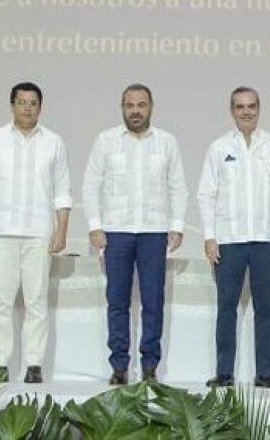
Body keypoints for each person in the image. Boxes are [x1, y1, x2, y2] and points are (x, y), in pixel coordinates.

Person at [82, 83, 187, 385]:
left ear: (151, 107)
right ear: (122, 107)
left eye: (142, 105)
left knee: (153, 301)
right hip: (116, 232)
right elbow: (91, 184)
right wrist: (95, 225)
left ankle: (150, 366)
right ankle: (119, 366)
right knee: (117, 302)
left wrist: (177, 225)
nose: (136, 110)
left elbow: (178, 186)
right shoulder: (106, 141)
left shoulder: (167, 142)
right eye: (130, 105)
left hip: (154, 233)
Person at [0, 82, 72, 384]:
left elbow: (63, 192)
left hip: (39, 232)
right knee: (1, 301)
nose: (27, 108)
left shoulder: (54, 142)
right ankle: (0, 363)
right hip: (1, 231)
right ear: (12, 105)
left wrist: (62, 229)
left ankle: (33, 364)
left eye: (33, 103)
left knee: (37, 301)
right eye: (21, 102)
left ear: (41, 107)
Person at [198, 86, 270, 389]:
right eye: (239, 107)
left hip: (266, 241)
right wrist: (210, 237)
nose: (246, 111)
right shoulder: (219, 147)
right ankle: (224, 372)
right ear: (231, 111)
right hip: (229, 241)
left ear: (259, 108)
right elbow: (206, 195)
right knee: (227, 307)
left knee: (265, 309)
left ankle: (264, 373)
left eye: (251, 106)